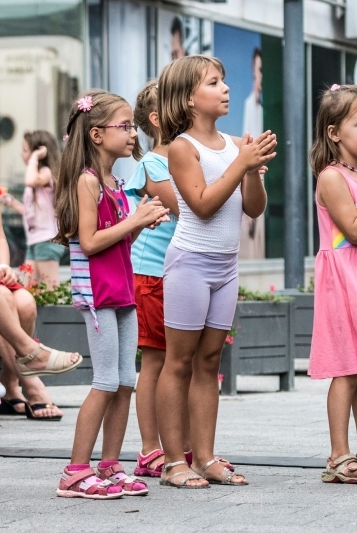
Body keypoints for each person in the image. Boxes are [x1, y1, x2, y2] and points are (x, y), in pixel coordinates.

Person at [155, 55, 275, 488]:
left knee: (209, 361)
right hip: (190, 263)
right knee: (180, 361)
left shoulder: (230, 144)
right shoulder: (183, 147)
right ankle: (173, 461)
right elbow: (203, 205)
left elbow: (253, 209)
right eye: (214, 82)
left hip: (226, 266)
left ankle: (205, 456)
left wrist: (253, 172)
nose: (225, 88)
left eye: (224, 80)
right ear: (189, 98)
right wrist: (240, 164)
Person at [52, 90, 168, 500]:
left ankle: (110, 465)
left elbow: (116, 240)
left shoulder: (115, 183)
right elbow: (89, 240)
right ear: (97, 134)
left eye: (133, 126)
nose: (133, 133)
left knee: (124, 382)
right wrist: (134, 219)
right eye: (125, 126)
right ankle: (76, 471)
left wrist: (141, 223)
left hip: (121, 292)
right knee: (105, 382)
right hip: (99, 296)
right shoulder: (87, 181)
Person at [0, 166, 79, 421]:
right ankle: (32, 385)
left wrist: (3, 266)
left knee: (25, 301)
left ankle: (10, 386)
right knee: (2, 296)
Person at [308, 84, 357, 484]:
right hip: (346, 280)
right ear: (334, 132)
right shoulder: (331, 177)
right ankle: (339, 455)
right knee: (349, 367)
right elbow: (353, 232)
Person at [126, 81, 184, 478]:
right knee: (155, 361)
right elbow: (189, 207)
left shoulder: (188, 159)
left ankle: (182, 444)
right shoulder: (151, 165)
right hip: (151, 273)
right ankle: (150, 448)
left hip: (182, 272)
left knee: (184, 362)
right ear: (158, 118)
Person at [0, 130, 64, 289]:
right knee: (28, 287)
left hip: (46, 240)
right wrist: (12, 202)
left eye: (25, 150)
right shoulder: (36, 179)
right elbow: (30, 211)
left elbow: (30, 180)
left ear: (39, 151)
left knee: (50, 289)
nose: (22, 154)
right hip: (34, 241)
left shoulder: (45, 173)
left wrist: (34, 158)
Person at [239, 47, 266, 260]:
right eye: (259, 70)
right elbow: (247, 153)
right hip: (254, 182)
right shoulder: (251, 105)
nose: (261, 76)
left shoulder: (264, 106)